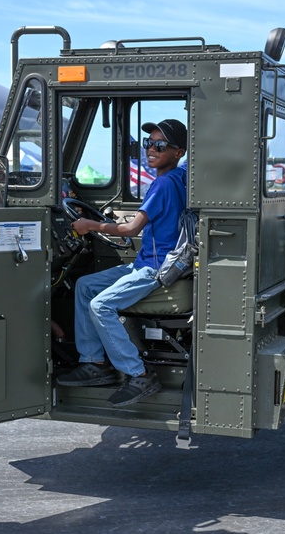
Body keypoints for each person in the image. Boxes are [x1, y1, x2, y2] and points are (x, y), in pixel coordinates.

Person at [56, 118, 187, 407]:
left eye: (160, 145)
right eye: (149, 143)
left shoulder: (163, 184)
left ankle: (139, 373)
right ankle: (94, 363)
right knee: (85, 285)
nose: (151, 149)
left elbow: (130, 229)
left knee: (100, 305)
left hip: (154, 268)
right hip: (146, 261)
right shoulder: (180, 178)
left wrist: (90, 225)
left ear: (178, 152)